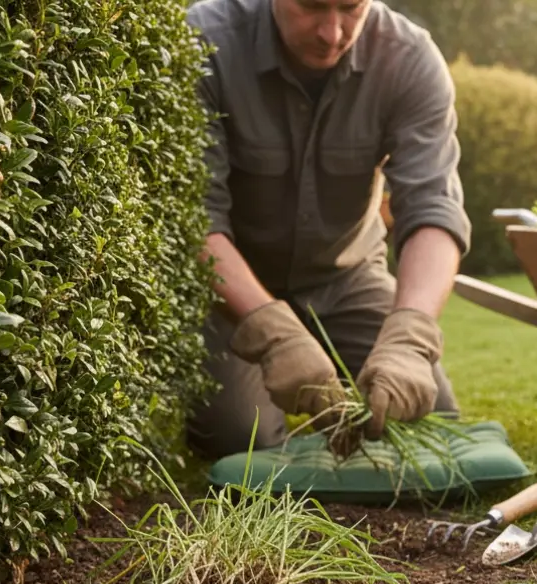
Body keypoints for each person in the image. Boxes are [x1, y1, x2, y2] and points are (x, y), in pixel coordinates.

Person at [183, 0, 472, 460]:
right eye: (313, 7)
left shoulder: (409, 58)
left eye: (350, 8)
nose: (333, 33)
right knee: (239, 439)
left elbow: (434, 210)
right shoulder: (206, 41)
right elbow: (196, 218)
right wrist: (273, 332)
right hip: (230, 291)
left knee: (428, 416)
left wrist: (410, 335)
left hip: (346, 277)